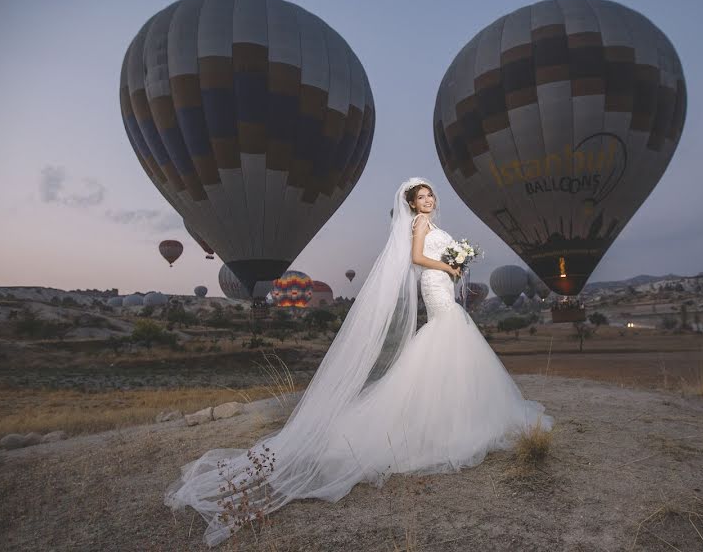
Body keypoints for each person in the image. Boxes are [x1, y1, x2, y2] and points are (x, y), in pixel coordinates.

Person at [165, 177, 554, 547]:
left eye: (430, 196)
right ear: (412, 205)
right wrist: (449, 267)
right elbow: (418, 258)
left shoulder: (434, 224)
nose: (428, 202)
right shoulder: (418, 225)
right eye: (421, 198)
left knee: (452, 342)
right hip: (435, 286)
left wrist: (458, 264)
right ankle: (446, 422)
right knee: (447, 335)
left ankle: (459, 413)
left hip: (443, 286)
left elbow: (434, 256)